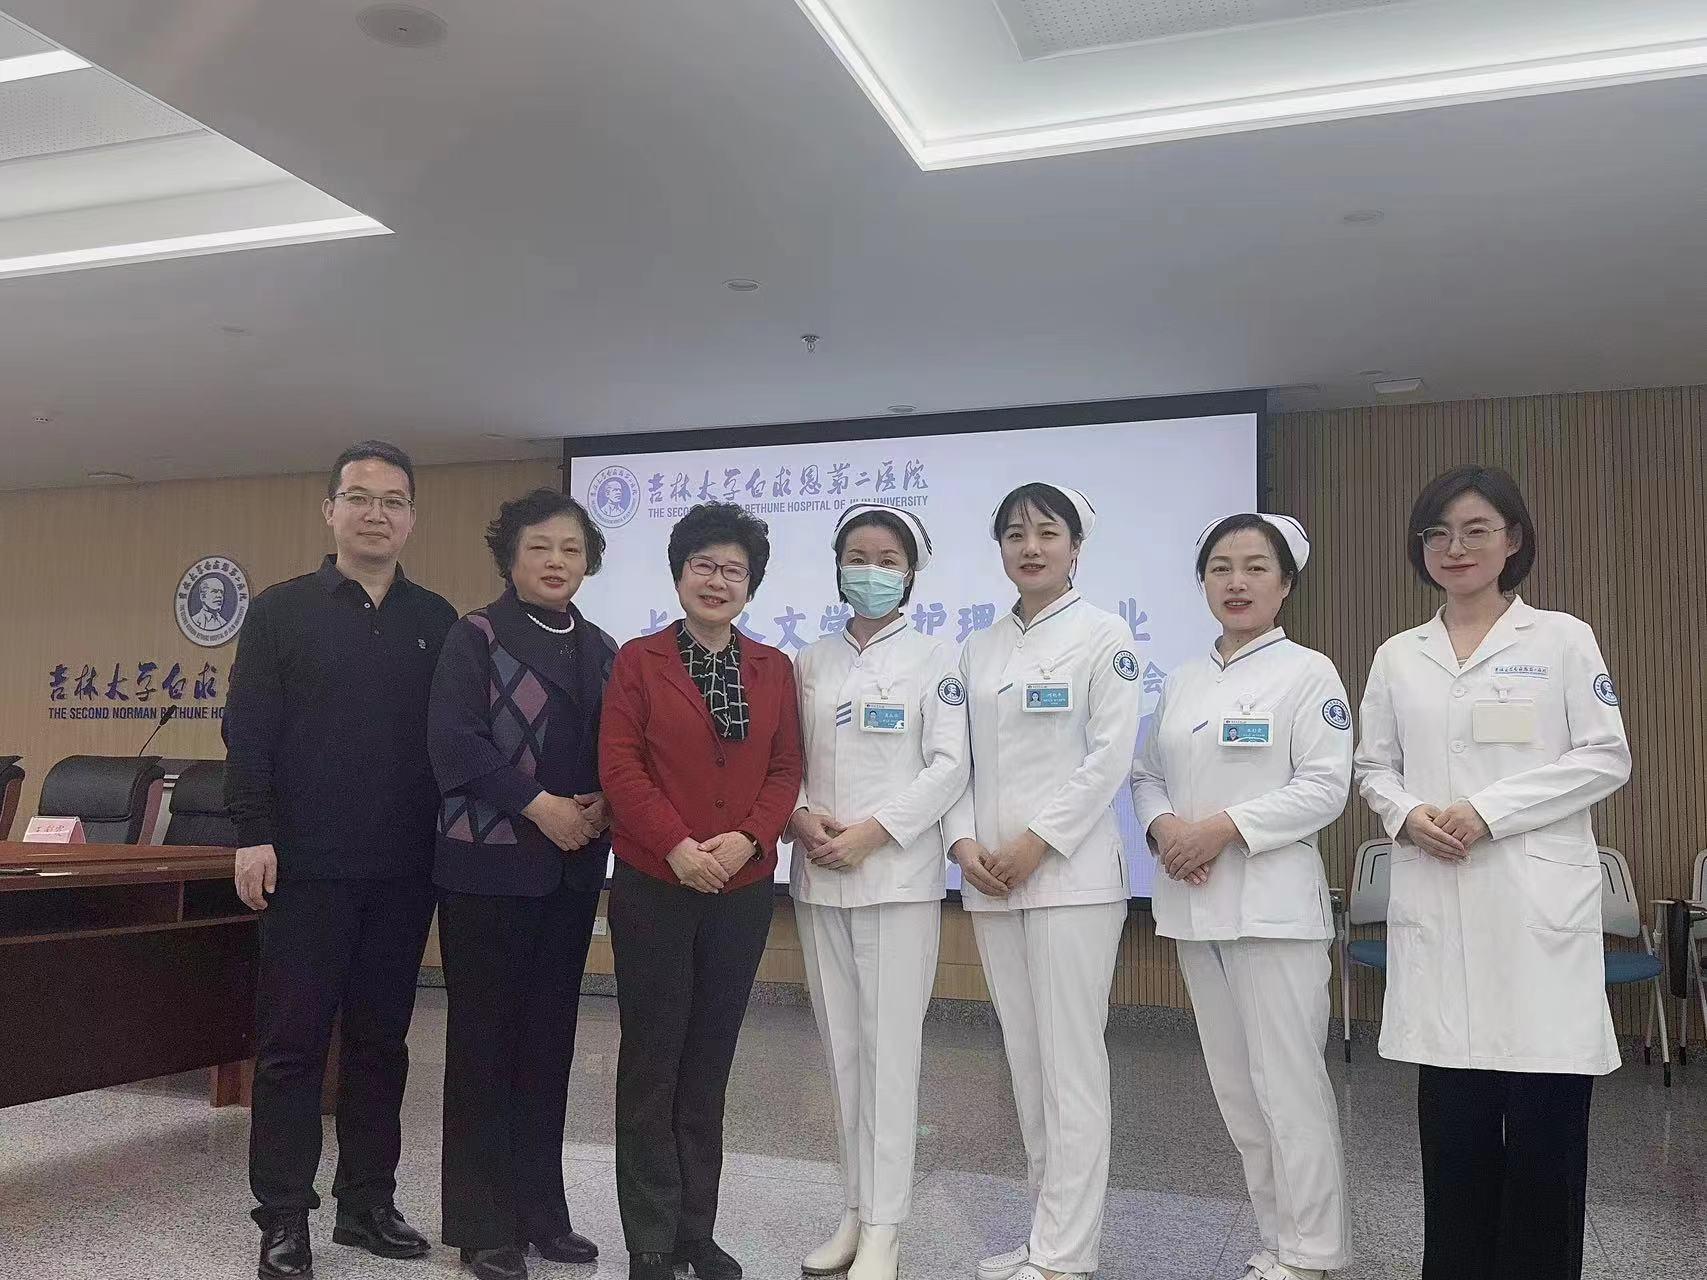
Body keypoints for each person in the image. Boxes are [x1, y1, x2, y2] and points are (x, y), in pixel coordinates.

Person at [1354, 465, 1631, 1280]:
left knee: (1545, 1150)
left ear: (1512, 540)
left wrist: (1487, 811)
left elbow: (1604, 756)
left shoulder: (1560, 639)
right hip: (1440, 908)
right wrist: (1405, 812)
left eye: (1475, 529)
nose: (1455, 547)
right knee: (1453, 1146)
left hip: (1533, 911)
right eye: (1437, 532)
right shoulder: (1398, 655)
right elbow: (1372, 766)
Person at [224, 441, 457, 1279]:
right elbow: (248, 732)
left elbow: (453, 743)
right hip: (304, 866)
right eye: (359, 497)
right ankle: (283, 1217)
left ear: (411, 518)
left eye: (393, 501)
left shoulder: (437, 620)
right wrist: (252, 832)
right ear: (330, 511)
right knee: (291, 1047)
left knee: (380, 1044)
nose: (375, 514)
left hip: (404, 871)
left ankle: (367, 1204)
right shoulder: (281, 611)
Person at [1130, 513, 1352, 1280]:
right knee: (1236, 1091)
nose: (1236, 582)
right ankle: (1276, 1240)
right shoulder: (1181, 679)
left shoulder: (1308, 673)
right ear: (1201, 582)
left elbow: (1323, 788)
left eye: (1255, 567)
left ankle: (1313, 1250)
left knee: (1287, 1088)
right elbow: (1146, 773)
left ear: (1285, 584)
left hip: (1272, 910)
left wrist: (1220, 829)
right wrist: (1165, 829)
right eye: (1220, 567)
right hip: (1195, 907)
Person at [597, 502, 804, 1280]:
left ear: (751, 584)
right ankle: (649, 1240)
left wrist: (749, 837)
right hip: (655, 882)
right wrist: (677, 846)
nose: (717, 581)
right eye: (703, 566)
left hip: (741, 888)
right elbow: (620, 765)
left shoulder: (773, 668)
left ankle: (695, 1233)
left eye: (733, 570)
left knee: (708, 1061)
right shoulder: (638, 660)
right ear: (679, 574)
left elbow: (785, 767)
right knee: (652, 1060)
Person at [942, 483, 1142, 1280]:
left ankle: (1065, 1253)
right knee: (1026, 1067)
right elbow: (955, 759)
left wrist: (1037, 842)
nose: (1030, 547)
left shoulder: (1105, 635)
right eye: (1015, 534)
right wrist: (962, 843)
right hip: (991, 883)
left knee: (1070, 1069)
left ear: (1074, 548)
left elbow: (1108, 757)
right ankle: (1044, 1236)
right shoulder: (979, 647)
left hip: (1071, 880)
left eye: (1046, 532)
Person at [427, 489, 616, 1280]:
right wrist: (543, 807)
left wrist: (606, 802)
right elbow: (454, 742)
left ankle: (541, 1213)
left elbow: (621, 749)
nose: (556, 562)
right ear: (510, 557)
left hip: (569, 873)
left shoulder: (603, 647)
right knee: (483, 1045)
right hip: (487, 868)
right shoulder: (475, 635)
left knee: (548, 1044)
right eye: (540, 547)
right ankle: (481, 1225)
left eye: (571, 549)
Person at [790, 504, 969, 1280]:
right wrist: (801, 816)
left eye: (887, 559)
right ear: (837, 568)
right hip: (818, 880)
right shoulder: (810, 660)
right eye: (857, 557)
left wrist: (874, 832)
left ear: (910, 573)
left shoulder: (937, 658)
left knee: (890, 1058)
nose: (870, 571)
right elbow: (785, 758)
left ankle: (887, 1227)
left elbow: (949, 766)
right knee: (842, 1054)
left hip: (895, 880)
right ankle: (854, 1209)